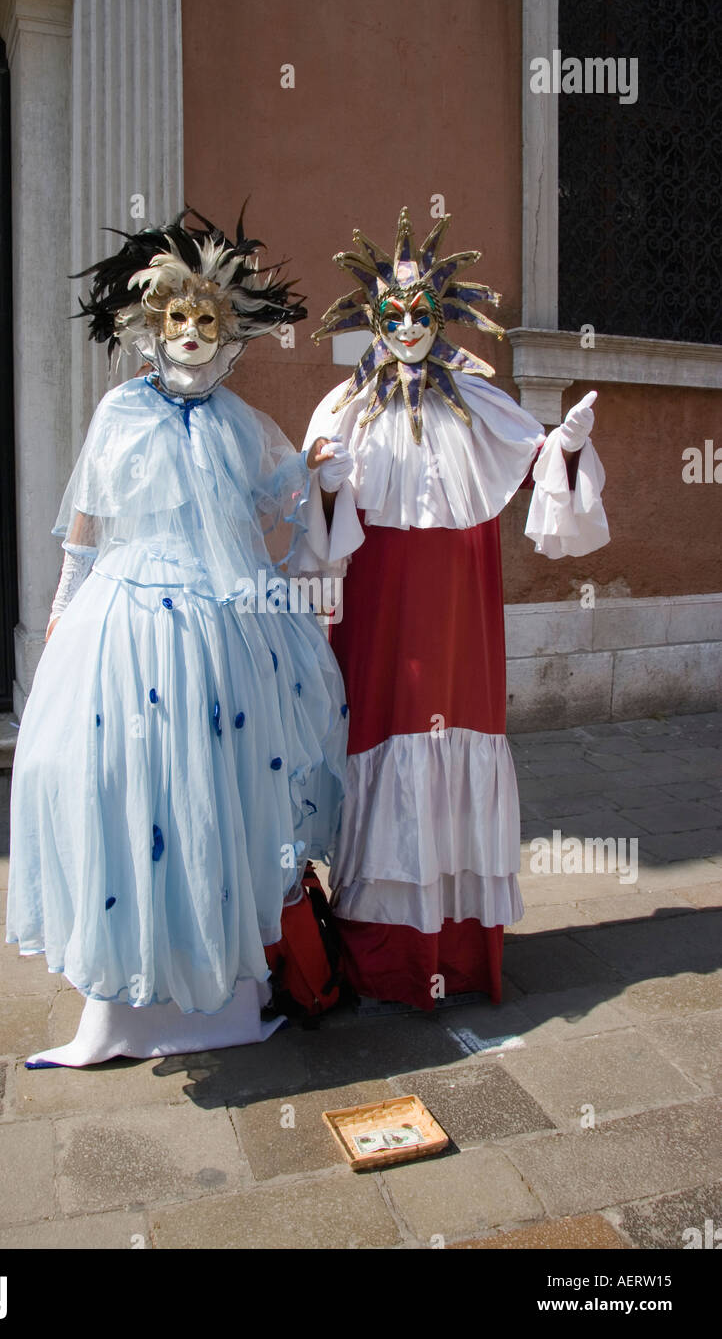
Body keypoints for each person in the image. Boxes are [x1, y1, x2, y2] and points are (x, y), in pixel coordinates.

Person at [6, 209, 349, 1066]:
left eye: (206, 321)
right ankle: (128, 1004)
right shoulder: (119, 412)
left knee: (220, 792)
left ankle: (221, 998)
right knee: (126, 788)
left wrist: (322, 478)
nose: (191, 335)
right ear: (150, 327)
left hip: (223, 628)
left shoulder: (239, 421)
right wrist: (63, 603)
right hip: (125, 624)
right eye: (176, 319)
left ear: (226, 333)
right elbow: (86, 524)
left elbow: (285, 505)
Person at [292, 205, 609, 1009]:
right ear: (372, 319)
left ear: (443, 314)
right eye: (390, 315)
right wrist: (323, 488)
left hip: (458, 610)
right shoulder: (341, 410)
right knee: (382, 743)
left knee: (456, 739)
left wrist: (565, 448)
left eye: (420, 313)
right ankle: (389, 952)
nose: (405, 327)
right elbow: (313, 536)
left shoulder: (478, 398)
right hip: (378, 611)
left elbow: (534, 465)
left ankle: (458, 948)